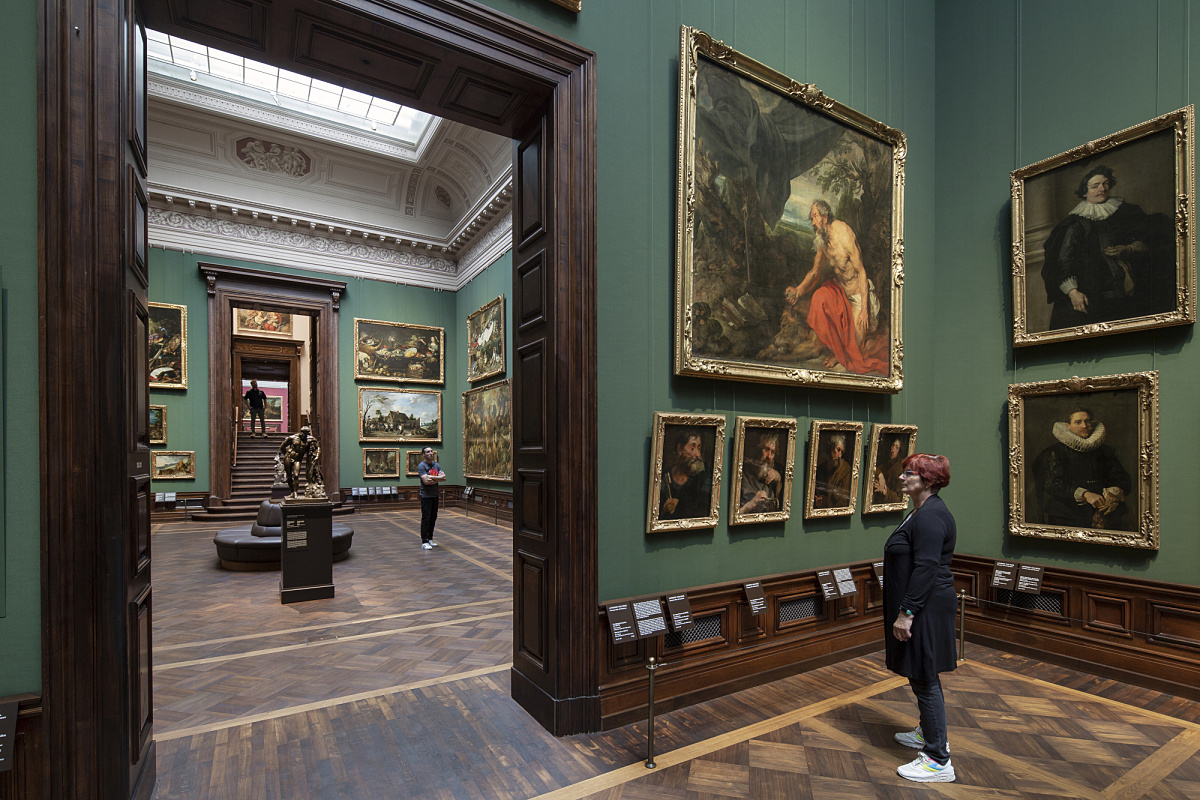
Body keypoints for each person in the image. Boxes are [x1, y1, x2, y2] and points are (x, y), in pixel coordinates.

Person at [884, 453, 957, 783]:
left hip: (925, 609)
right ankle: (928, 733)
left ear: (928, 480)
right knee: (921, 675)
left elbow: (927, 567)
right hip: (925, 606)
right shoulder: (922, 511)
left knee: (925, 677)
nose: (902, 477)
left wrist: (907, 613)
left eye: (909, 473)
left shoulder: (929, 517)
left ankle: (937, 760)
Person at [1041, 165, 1173, 330]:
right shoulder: (1074, 224)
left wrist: (1128, 248)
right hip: (1093, 296)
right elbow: (1061, 260)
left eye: (1105, 184)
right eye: (1095, 186)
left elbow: (1149, 238)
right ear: (1084, 191)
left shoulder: (1126, 212)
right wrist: (1073, 292)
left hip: (1129, 291)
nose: (1101, 189)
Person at [783, 200, 888, 374]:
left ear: (824, 217)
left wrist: (864, 309)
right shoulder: (822, 240)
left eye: (814, 217)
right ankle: (839, 353)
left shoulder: (844, 234)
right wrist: (798, 290)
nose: (812, 222)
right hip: (841, 292)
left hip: (858, 295)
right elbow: (815, 272)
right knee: (820, 297)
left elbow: (862, 272)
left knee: (857, 348)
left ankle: (842, 355)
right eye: (811, 218)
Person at [1032, 407, 1132, 530]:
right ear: (1068, 426)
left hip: (1105, 514)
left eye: (1087, 421)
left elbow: (1122, 478)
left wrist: (1113, 494)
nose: (1084, 426)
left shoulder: (1105, 450)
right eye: (1078, 422)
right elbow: (1052, 484)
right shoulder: (1056, 452)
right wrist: (1085, 494)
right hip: (1067, 516)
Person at [659, 429, 713, 520]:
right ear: (680, 449)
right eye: (692, 448)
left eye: (699, 448)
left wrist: (680, 506)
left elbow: (703, 512)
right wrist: (665, 509)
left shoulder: (704, 477)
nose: (697, 454)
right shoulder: (665, 474)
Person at [738, 432, 782, 515]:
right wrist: (751, 504)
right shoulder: (741, 474)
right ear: (758, 449)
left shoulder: (773, 477)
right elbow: (732, 515)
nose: (769, 456)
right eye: (766, 449)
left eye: (772, 452)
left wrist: (779, 480)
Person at [276, 426, 320, 498]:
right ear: (301, 432)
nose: (304, 435)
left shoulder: (310, 439)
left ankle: (295, 492)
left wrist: (317, 455)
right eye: (303, 433)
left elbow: (318, 447)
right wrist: (286, 455)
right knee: (289, 476)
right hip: (288, 457)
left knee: (296, 475)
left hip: (298, 459)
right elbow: (282, 446)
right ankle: (292, 492)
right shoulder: (292, 438)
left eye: (306, 434)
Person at [417, 446, 446, 549]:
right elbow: (426, 481)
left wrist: (432, 477)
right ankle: (424, 541)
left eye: (431, 451)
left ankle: (430, 538)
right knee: (426, 518)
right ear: (423, 455)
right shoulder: (422, 466)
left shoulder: (436, 465)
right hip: (426, 496)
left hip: (435, 495)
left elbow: (444, 478)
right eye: (428, 452)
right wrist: (438, 478)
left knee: (433, 518)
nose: (431, 453)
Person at [813, 433, 852, 509]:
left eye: (842, 452)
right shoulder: (820, 468)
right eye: (838, 450)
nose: (840, 455)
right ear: (830, 448)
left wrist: (826, 502)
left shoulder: (845, 469)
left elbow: (844, 500)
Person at [872, 436, 906, 505]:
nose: (893, 450)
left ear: (900, 451)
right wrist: (880, 475)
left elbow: (899, 499)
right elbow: (874, 468)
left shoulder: (900, 468)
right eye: (893, 445)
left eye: (896, 447)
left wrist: (885, 491)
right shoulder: (886, 465)